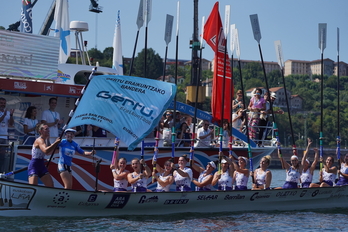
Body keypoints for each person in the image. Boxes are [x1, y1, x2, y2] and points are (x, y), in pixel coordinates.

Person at [0, 97, 14, 173]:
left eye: (4, 103)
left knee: (2, 156)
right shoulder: (5, 113)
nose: (3, 105)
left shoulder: (7, 112)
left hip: (4, 137)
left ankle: (1, 172)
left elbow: (11, 123)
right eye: (1, 103)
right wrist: (3, 115)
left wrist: (11, 115)